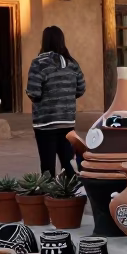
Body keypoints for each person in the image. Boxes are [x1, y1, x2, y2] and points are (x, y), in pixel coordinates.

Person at [26, 26, 85, 176]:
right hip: (67, 121)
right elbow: (81, 89)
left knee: (47, 166)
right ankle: (70, 195)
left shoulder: (39, 63)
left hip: (45, 123)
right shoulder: (73, 64)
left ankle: (50, 195)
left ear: (44, 41)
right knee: (68, 163)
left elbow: (34, 92)